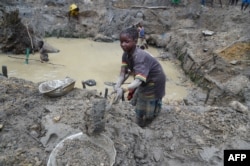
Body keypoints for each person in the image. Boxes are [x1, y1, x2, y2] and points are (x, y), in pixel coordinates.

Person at [113, 27, 166, 127]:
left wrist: (123, 89)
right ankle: (139, 118)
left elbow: (138, 81)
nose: (123, 44)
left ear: (135, 41)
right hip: (144, 79)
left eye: (126, 42)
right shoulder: (125, 55)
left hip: (154, 81)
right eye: (121, 42)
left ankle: (146, 122)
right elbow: (122, 73)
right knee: (139, 96)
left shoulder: (140, 57)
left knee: (147, 100)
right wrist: (117, 86)